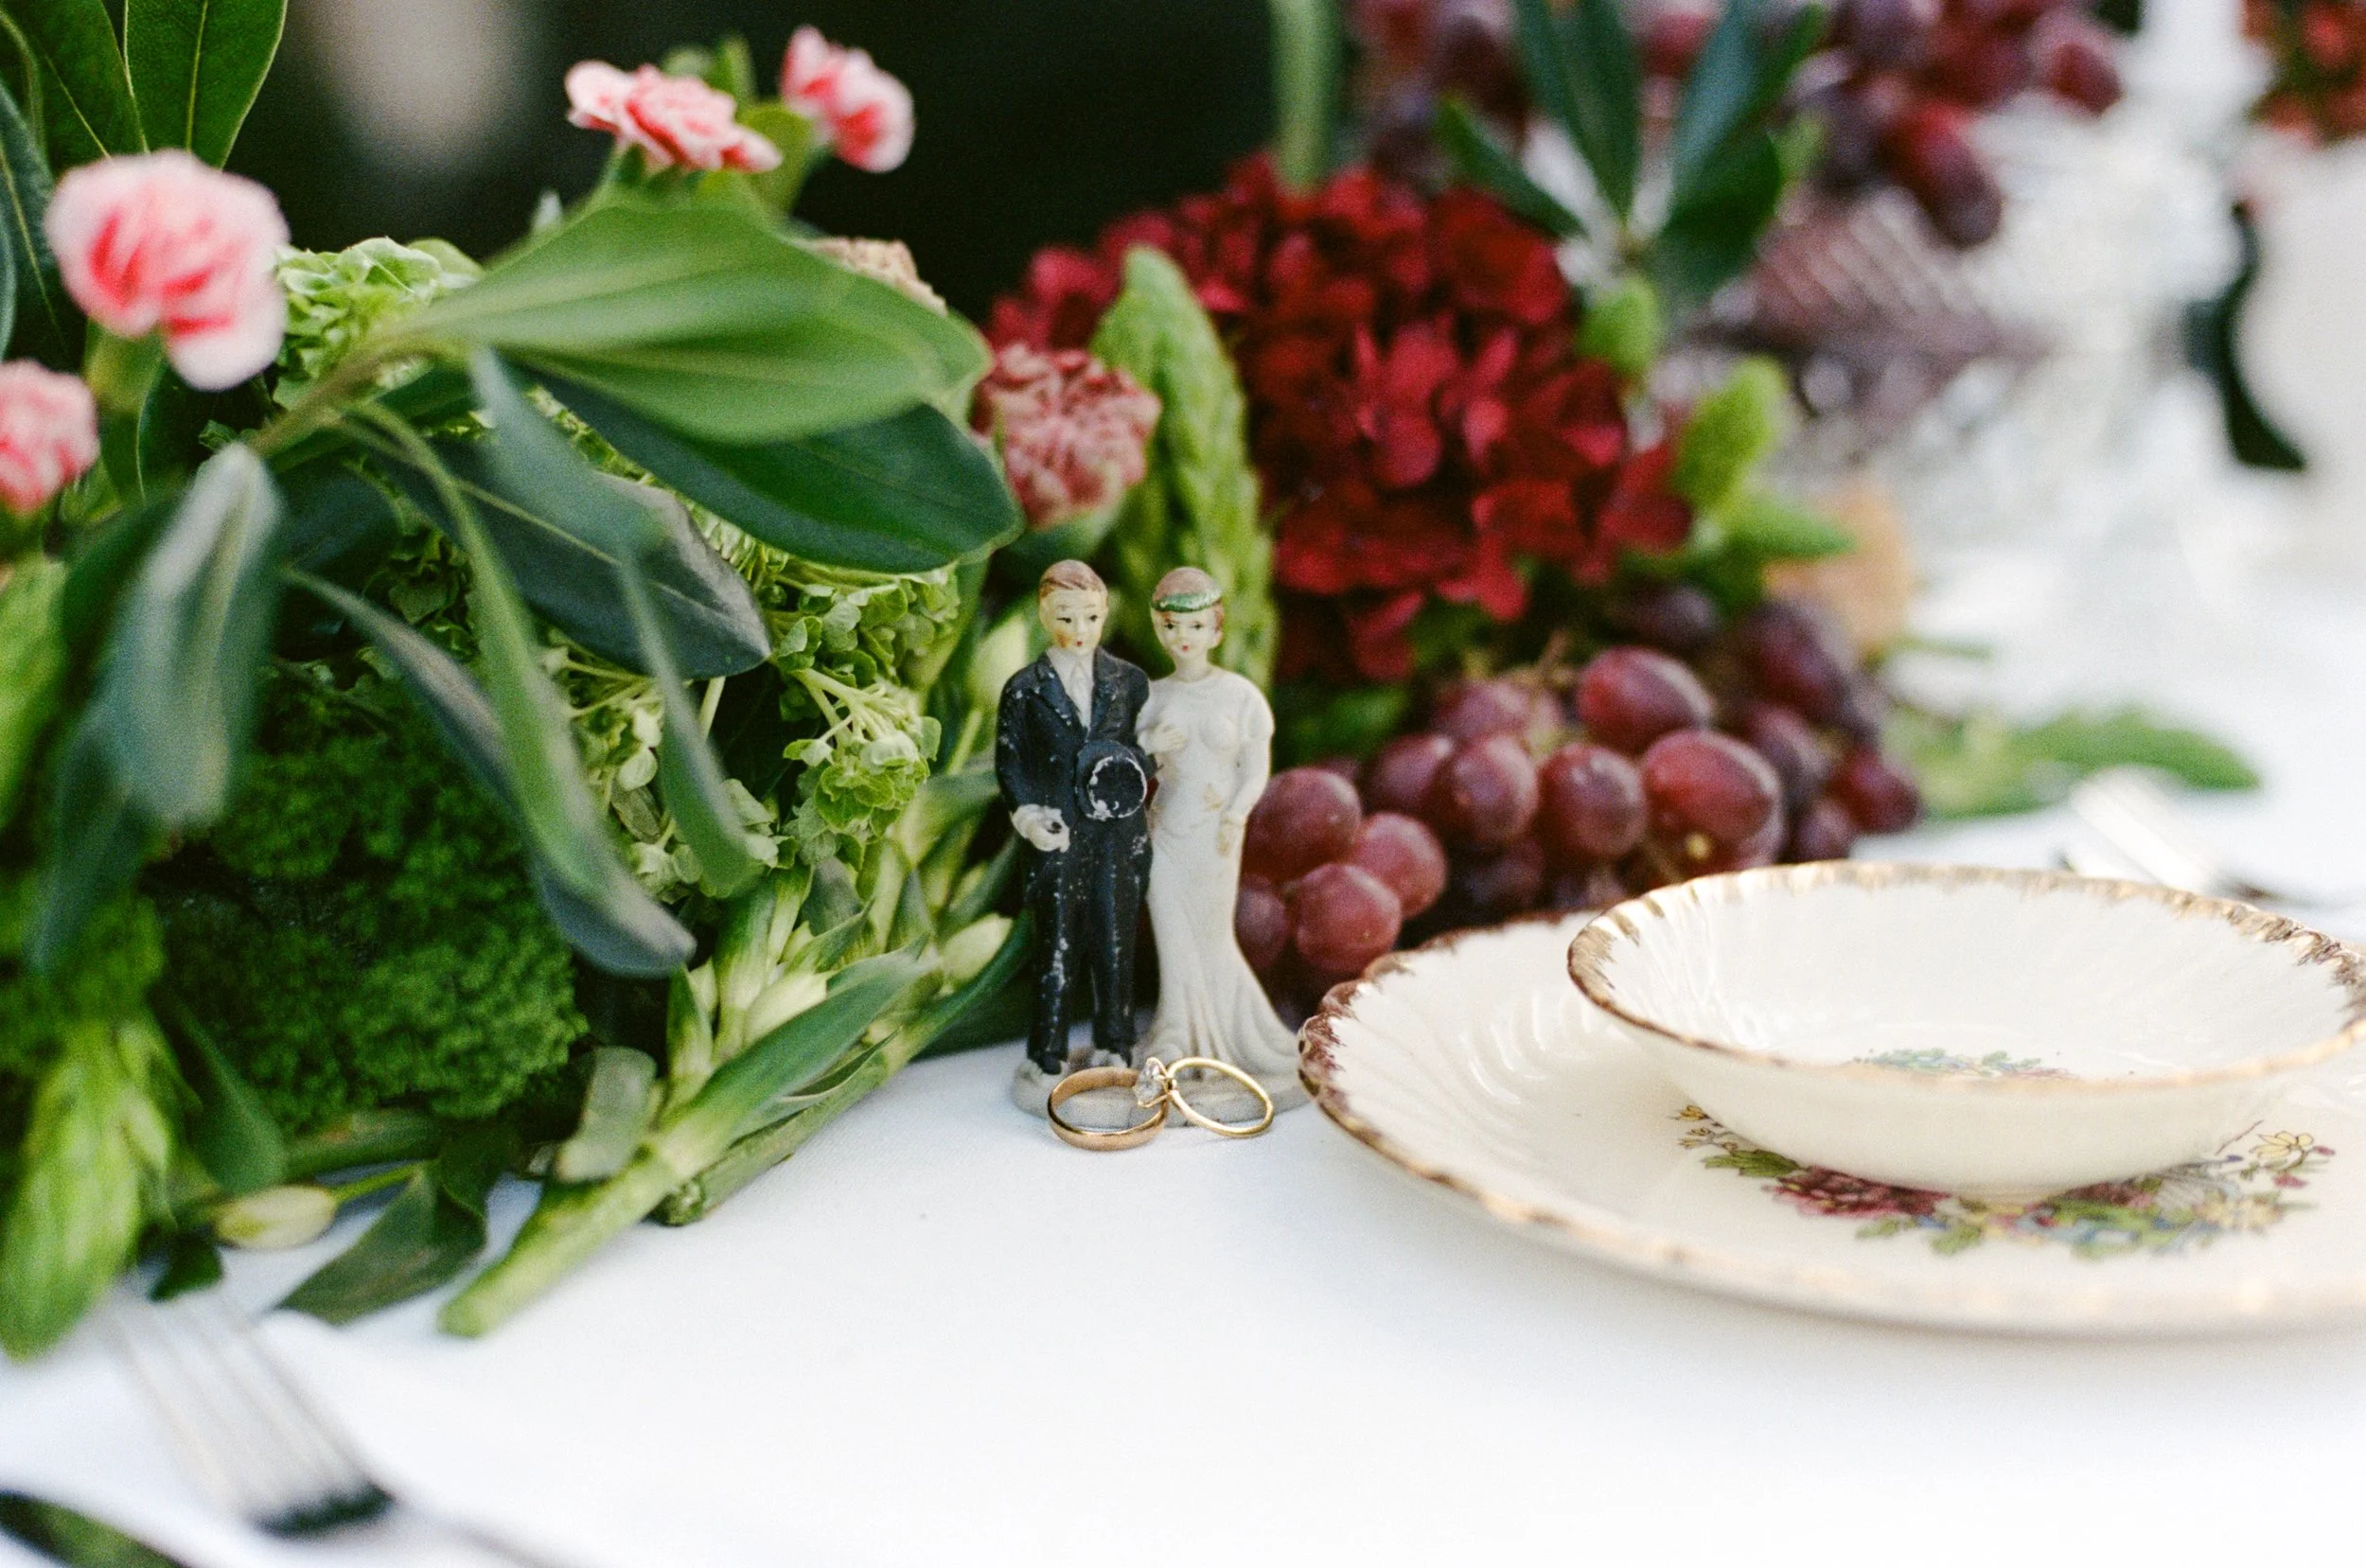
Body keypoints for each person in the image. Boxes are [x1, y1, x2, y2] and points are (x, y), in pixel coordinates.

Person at [1134, 567, 1303, 1109]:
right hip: (1166, 831)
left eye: (1196, 626)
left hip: (1216, 835)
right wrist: (1150, 744)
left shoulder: (1242, 697)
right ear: (1160, 631)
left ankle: (1240, 1043)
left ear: (1216, 630)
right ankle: (1176, 1035)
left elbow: (1255, 769)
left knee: (1211, 933)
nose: (1184, 639)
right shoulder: (1150, 697)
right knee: (1172, 932)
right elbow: (1125, 767)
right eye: (1171, 627)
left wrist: (1235, 815)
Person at [995, 560, 1154, 1109]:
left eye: (1089, 615)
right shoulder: (1023, 689)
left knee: (1115, 940)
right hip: (1057, 833)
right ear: (1044, 615)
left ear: (1106, 613)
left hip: (1115, 833)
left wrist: (1157, 757)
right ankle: (1047, 1053)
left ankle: (1116, 1042)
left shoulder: (1129, 682)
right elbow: (1010, 763)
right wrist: (1028, 817)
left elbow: (1140, 751)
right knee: (1056, 946)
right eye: (1065, 616)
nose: (1079, 627)